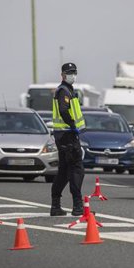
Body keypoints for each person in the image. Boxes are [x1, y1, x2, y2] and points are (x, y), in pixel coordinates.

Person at [50, 62, 86, 216]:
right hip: (67, 135)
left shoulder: (68, 90)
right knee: (76, 170)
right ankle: (78, 206)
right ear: (63, 75)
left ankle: (55, 206)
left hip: (63, 136)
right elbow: (64, 111)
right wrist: (72, 125)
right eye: (69, 72)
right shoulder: (64, 91)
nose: (72, 75)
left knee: (64, 171)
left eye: (74, 72)